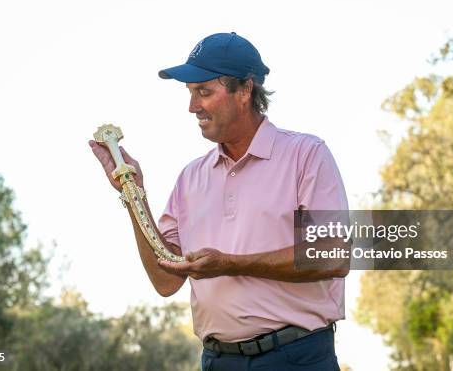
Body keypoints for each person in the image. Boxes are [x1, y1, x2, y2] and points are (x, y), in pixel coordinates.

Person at [90, 32, 349, 371]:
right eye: (191, 93)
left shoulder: (306, 154)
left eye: (204, 92)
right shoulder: (190, 178)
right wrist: (132, 193)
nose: (192, 106)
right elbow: (165, 280)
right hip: (217, 361)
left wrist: (230, 263)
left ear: (245, 90)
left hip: (295, 358)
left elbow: (332, 256)